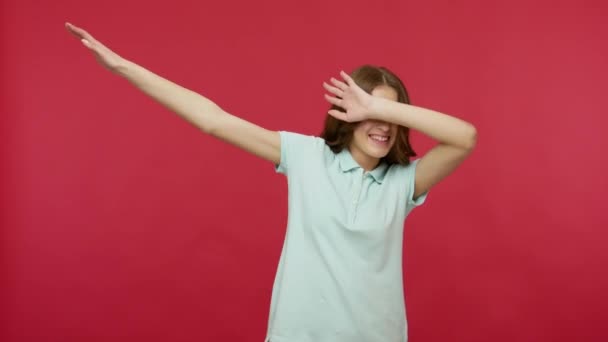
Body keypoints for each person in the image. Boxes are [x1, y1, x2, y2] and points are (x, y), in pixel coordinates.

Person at [65, 22, 477, 342]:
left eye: (393, 117)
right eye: (368, 112)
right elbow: (213, 120)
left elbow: (465, 137)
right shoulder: (307, 157)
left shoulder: (404, 182)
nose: (383, 127)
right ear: (344, 114)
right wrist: (123, 67)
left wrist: (377, 105)